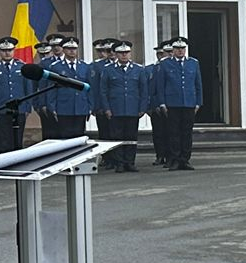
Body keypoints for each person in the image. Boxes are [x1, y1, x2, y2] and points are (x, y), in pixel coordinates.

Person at [99, 39, 150, 171]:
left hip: (133, 109)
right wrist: (107, 108)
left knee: (131, 137)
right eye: (121, 53)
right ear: (116, 54)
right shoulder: (108, 70)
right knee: (117, 137)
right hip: (115, 109)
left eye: (126, 52)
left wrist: (142, 108)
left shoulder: (138, 70)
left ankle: (130, 162)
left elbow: (144, 90)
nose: (124, 55)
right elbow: (103, 91)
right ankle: (119, 163)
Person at [154, 36, 204, 169]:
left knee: (187, 132)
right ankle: (175, 159)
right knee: (173, 132)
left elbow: (198, 84)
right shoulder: (165, 63)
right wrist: (162, 103)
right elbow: (160, 86)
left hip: (189, 102)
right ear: (173, 50)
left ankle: (185, 159)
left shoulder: (193, 63)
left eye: (182, 48)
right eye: (177, 49)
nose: (180, 51)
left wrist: (198, 102)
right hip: (172, 103)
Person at [46, 36, 95, 140]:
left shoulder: (85, 66)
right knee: (65, 138)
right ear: (63, 50)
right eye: (69, 48)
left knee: (79, 138)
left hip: (81, 106)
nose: (72, 51)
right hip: (64, 107)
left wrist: (90, 106)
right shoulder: (56, 67)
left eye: (74, 48)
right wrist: (52, 106)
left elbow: (90, 88)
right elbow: (51, 88)